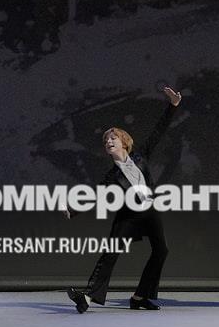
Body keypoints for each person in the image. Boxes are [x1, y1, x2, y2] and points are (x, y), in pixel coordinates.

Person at [66, 85, 181, 313]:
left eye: (113, 138)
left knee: (161, 250)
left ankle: (140, 297)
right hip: (129, 215)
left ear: (124, 142)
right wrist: (72, 210)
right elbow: (95, 196)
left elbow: (159, 130)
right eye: (106, 141)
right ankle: (88, 297)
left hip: (149, 211)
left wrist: (173, 105)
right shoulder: (112, 175)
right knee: (111, 252)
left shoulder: (140, 156)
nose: (109, 142)